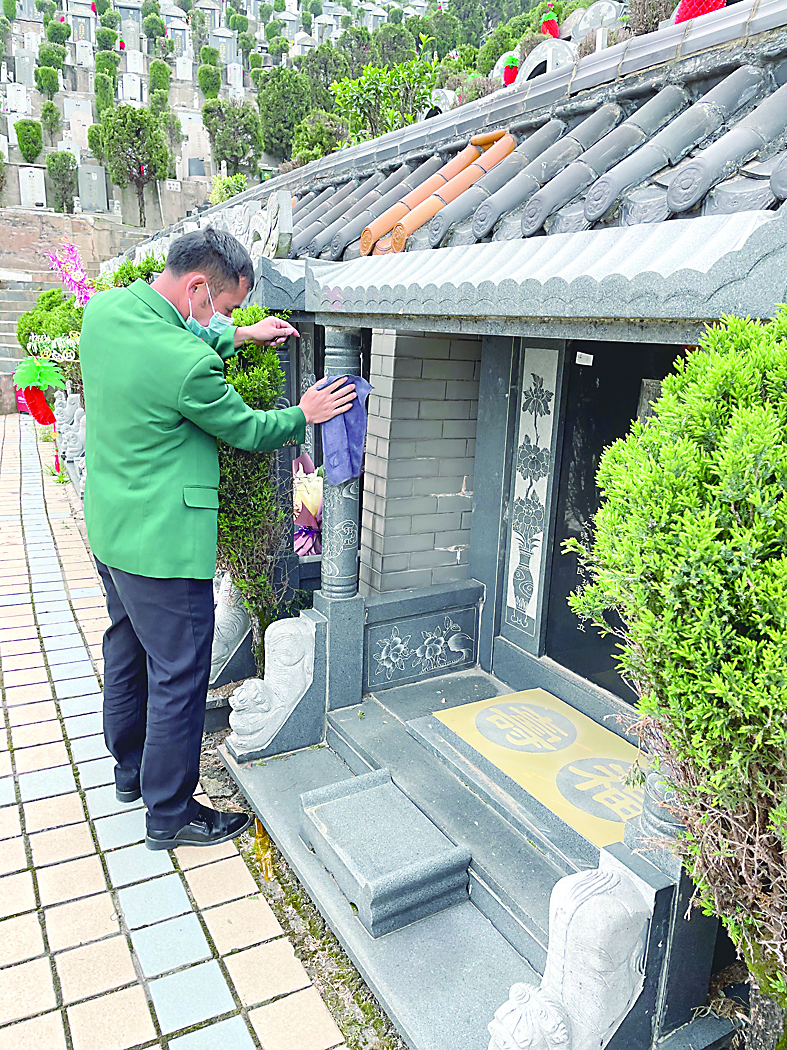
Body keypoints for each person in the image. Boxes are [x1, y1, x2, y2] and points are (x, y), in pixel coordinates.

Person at [79, 227, 356, 850]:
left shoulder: (106, 312)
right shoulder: (188, 363)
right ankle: (169, 813)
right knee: (180, 671)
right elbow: (247, 428)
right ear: (199, 287)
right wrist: (304, 414)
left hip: (111, 528)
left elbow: (177, 337)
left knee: (125, 645)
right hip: (163, 544)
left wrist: (241, 334)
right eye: (225, 307)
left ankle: (129, 772)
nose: (220, 319)